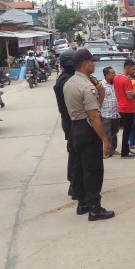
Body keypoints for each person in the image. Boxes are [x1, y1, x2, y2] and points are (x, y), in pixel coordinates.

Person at [63, 49, 115, 221]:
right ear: (85, 64)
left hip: (75, 128)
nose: (94, 64)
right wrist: (105, 139)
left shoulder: (69, 82)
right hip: (87, 129)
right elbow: (93, 116)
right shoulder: (87, 86)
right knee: (93, 169)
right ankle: (95, 208)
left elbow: (94, 107)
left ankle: (83, 203)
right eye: (92, 61)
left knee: (79, 167)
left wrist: (101, 93)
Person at [53, 49, 78, 196]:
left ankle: (74, 184)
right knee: (76, 155)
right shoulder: (68, 81)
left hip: (69, 121)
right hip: (73, 122)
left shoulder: (64, 78)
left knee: (75, 154)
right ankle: (75, 186)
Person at [113, 59, 135, 159]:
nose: (133, 71)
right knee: (127, 131)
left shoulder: (116, 77)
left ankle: (126, 150)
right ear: (127, 67)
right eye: (132, 69)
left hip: (121, 106)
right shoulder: (126, 79)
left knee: (128, 130)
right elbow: (130, 96)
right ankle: (124, 153)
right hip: (127, 107)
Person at [100, 67, 120, 158]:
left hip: (116, 113)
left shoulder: (116, 84)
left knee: (114, 132)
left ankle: (113, 149)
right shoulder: (100, 85)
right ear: (107, 75)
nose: (115, 74)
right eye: (112, 73)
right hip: (106, 114)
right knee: (107, 133)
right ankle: (107, 152)